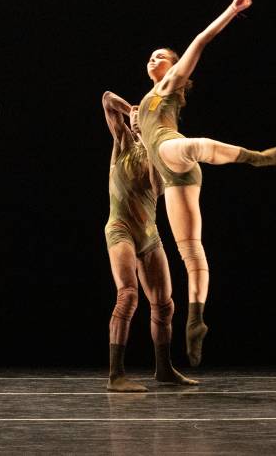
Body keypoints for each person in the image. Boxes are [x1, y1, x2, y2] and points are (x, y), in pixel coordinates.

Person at [137, 0, 276, 366]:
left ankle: (256, 157)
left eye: (164, 55)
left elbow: (201, 40)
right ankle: (195, 321)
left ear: (174, 66)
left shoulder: (170, 84)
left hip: (173, 150)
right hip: (177, 178)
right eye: (151, 55)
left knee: (189, 145)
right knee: (190, 251)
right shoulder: (142, 102)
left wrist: (232, 9)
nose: (155, 57)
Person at [100, 91, 197, 391]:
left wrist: (153, 145)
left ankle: (164, 369)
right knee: (128, 295)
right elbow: (106, 99)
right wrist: (133, 109)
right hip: (120, 229)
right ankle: (116, 375)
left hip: (148, 234)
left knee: (164, 305)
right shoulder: (124, 142)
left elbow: (157, 187)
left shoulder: (161, 154)